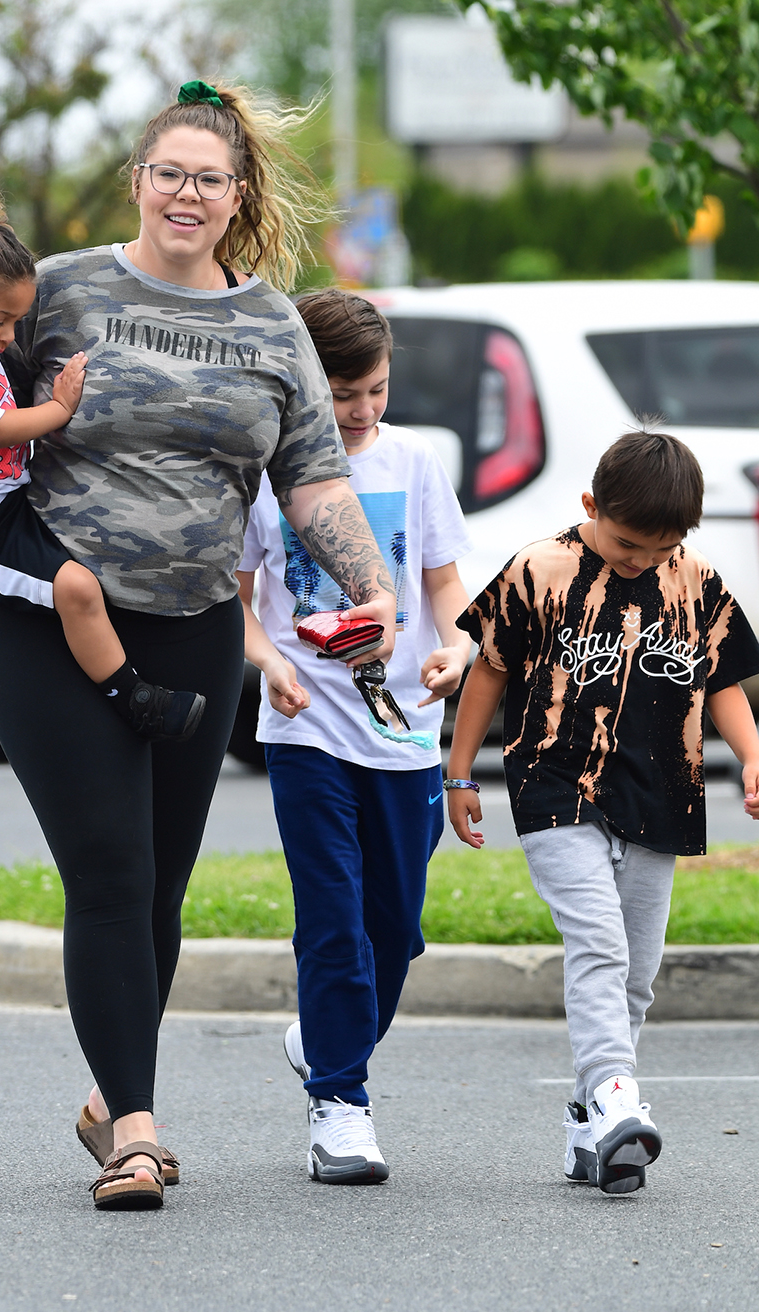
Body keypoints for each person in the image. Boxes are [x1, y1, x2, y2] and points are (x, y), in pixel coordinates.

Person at [0, 80, 398, 1210]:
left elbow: (313, 476)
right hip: (49, 622)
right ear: (138, 181)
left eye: (208, 178)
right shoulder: (58, 290)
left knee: (161, 888)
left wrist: (372, 589)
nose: (186, 193)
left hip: (198, 628)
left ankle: (108, 1090)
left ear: (236, 195)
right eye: (167, 172)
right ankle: (135, 1130)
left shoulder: (273, 324)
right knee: (110, 869)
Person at [446, 430, 759, 1194]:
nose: (641, 561)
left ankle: (593, 1122)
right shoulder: (538, 568)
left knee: (637, 972)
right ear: (592, 506)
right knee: (597, 942)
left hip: (663, 789)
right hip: (555, 786)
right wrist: (458, 772)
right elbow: (488, 671)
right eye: (627, 543)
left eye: (661, 549)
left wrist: (751, 754)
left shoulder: (699, 581)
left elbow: (722, 682)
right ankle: (620, 1097)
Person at [236, 289, 472, 1183]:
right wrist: (272, 663)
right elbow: (237, 598)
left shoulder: (413, 462)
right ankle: (341, 1104)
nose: (363, 410)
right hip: (307, 733)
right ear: (301, 383)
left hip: (407, 730)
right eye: (343, 393)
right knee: (333, 924)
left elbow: (446, 585)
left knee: (395, 931)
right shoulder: (265, 473)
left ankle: (321, 1038)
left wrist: (457, 646)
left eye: (375, 390)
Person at [0, 178, 204, 742]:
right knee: (76, 590)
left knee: (86, 565)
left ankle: (17, 686)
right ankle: (135, 701)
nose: (8, 337)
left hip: (8, 504)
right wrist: (60, 408)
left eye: (16, 321)